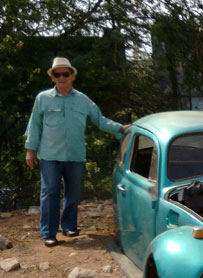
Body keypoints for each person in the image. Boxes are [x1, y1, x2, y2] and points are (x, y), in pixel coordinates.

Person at [24, 57, 129, 247]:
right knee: (49, 192)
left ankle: (69, 226)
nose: (62, 77)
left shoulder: (83, 100)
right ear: (53, 77)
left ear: (72, 76)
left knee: (73, 193)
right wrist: (30, 150)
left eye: (66, 73)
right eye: (58, 74)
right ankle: (48, 232)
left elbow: (100, 119)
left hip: (75, 155)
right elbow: (35, 125)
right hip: (50, 155)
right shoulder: (43, 98)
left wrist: (121, 129)